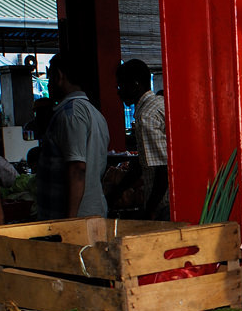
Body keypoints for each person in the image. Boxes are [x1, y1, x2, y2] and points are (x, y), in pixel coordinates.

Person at [35, 52, 110, 220]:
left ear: (59, 76)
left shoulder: (71, 114)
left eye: (50, 77)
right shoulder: (94, 113)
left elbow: (77, 169)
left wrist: (70, 221)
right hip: (91, 212)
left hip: (76, 218)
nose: (48, 85)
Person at [114, 58, 169, 219]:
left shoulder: (146, 116)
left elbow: (162, 169)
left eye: (121, 85)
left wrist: (150, 210)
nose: (118, 91)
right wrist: (120, 189)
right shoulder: (160, 104)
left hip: (165, 204)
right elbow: (142, 163)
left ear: (135, 84)